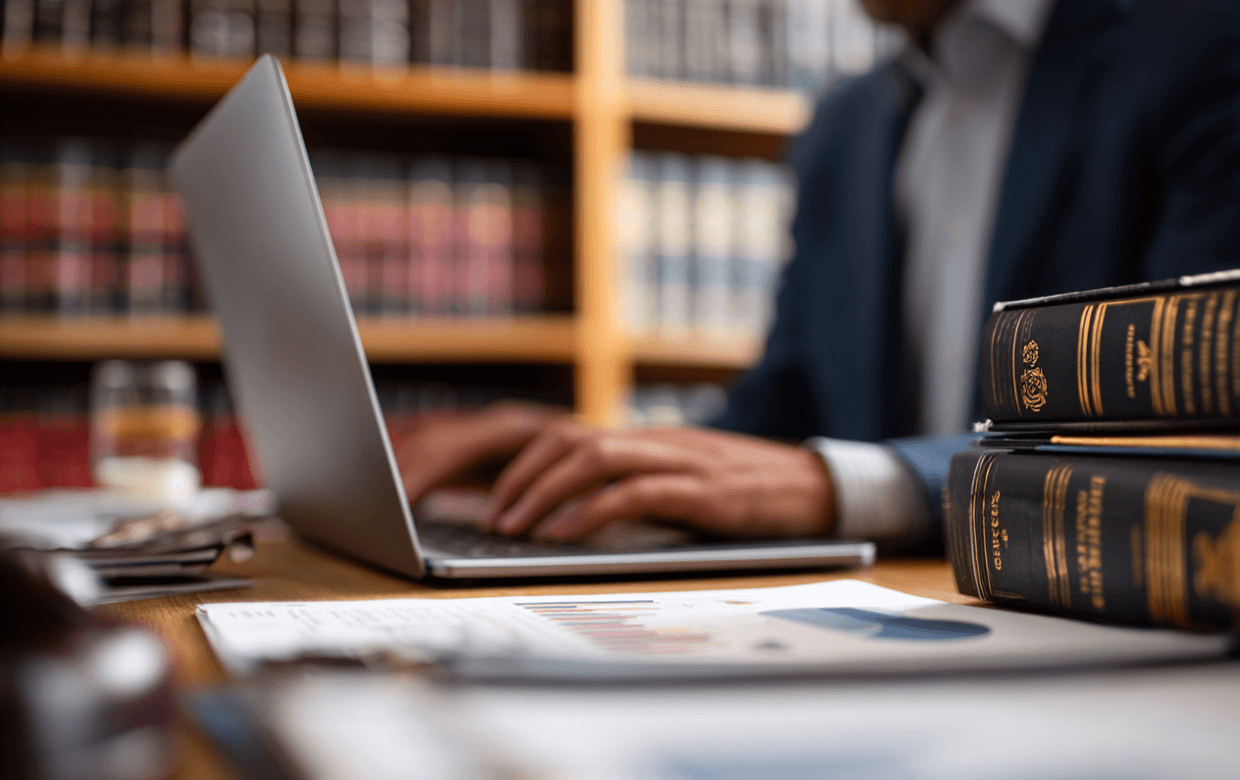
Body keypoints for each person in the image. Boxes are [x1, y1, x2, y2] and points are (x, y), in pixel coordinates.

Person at [398, 0, 1240, 548]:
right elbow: (780, 413)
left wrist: (849, 485)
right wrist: (578, 454)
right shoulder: (845, 126)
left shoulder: (1203, 49)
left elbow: (1199, 426)